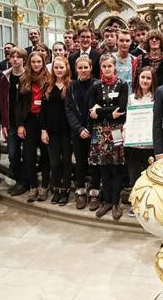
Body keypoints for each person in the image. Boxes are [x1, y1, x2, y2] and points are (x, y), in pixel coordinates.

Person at [87, 54, 128, 220]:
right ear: (101, 68)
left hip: (117, 131)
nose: (107, 69)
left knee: (117, 166)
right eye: (104, 66)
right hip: (100, 132)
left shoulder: (122, 85)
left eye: (109, 66)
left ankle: (116, 201)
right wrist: (110, 112)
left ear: (114, 67)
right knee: (104, 167)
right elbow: (91, 110)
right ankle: (107, 201)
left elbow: (122, 108)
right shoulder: (95, 86)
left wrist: (101, 112)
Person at [65, 56, 99, 210]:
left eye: (86, 67)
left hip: (94, 131)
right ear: (76, 69)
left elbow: (98, 109)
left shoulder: (97, 84)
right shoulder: (71, 86)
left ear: (91, 68)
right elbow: (69, 109)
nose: (83, 70)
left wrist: (89, 129)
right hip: (77, 131)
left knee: (94, 163)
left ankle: (94, 193)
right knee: (80, 163)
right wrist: (79, 128)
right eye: (80, 68)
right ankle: (81, 192)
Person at [16, 51, 50, 203]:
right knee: (29, 157)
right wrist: (20, 125)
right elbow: (18, 105)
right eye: (33, 62)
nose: (36, 65)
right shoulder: (24, 79)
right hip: (29, 121)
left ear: (43, 63)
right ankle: (33, 186)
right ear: (29, 63)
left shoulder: (49, 79)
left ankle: (44, 186)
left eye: (39, 62)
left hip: (44, 121)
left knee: (45, 156)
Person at [124, 67, 156, 216]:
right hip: (133, 143)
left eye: (148, 78)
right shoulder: (131, 98)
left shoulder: (156, 97)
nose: (145, 81)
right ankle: (135, 203)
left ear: (152, 81)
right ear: (138, 78)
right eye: (143, 77)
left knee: (148, 175)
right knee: (134, 174)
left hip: (150, 143)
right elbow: (128, 119)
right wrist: (125, 130)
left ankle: (149, 203)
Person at [41, 56, 72, 206]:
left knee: (66, 162)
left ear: (66, 68)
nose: (59, 70)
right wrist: (43, 130)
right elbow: (43, 111)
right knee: (54, 163)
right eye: (56, 67)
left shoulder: (71, 85)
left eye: (61, 67)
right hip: (51, 131)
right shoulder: (47, 86)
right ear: (52, 69)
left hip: (67, 131)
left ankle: (65, 190)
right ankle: (56, 189)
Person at [0, 47, 29, 197]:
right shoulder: (5, 77)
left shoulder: (29, 76)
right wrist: (4, 124)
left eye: (18, 57)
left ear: (24, 59)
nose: (15, 59)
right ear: (9, 59)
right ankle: (20, 181)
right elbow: (3, 102)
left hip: (27, 122)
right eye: (13, 57)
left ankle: (27, 182)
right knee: (13, 154)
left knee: (29, 155)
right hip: (11, 122)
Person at [114, 29, 137, 94]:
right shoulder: (110, 59)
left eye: (127, 41)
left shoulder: (135, 60)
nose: (124, 43)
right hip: (114, 98)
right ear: (116, 41)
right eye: (121, 40)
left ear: (131, 42)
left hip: (131, 98)